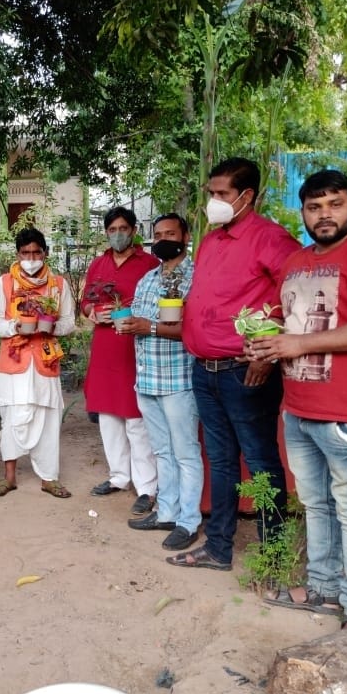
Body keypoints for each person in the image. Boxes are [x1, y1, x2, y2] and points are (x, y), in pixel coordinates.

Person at [248, 170, 347, 628]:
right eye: (314, 207)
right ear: (303, 212)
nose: (324, 215)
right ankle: (322, 590)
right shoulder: (297, 262)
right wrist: (265, 342)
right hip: (300, 408)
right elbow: (291, 327)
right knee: (316, 505)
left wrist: (297, 346)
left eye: (335, 204)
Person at [170, 157, 301, 571]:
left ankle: (274, 554)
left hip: (244, 370)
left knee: (260, 460)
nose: (214, 201)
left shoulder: (270, 238)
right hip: (205, 369)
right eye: (211, 193)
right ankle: (219, 547)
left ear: (247, 196)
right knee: (221, 460)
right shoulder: (211, 239)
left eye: (222, 194)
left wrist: (268, 348)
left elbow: (295, 292)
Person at [121, 214, 202, 551]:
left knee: (185, 453)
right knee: (162, 451)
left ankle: (189, 521)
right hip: (148, 377)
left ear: (185, 236)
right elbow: (138, 319)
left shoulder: (197, 277)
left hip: (179, 379)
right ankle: (167, 511)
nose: (164, 238)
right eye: (158, 234)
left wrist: (148, 327)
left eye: (171, 233)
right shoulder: (148, 278)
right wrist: (127, 324)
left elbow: (195, 330)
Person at [0, 227, 77, 499]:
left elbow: (69, 321)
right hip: (13, 362)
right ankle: (9, 477)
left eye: (37, 252)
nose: (31, 257)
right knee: (11, 416)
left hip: (45, 360)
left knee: (48, 417)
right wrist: (16, 325)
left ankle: (49, 478)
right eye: (26, 252)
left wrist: (51, 328)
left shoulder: (58, 284)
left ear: (45, 253)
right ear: (18, 254)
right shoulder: (3, 283)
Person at [81, 206, 159, 514]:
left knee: (137, 421)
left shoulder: (149, 264)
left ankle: (147, 486)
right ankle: (118, 476)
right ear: (106, 232)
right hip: (103, 347)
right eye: (112, 230)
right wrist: (91, 312)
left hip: (135, 348)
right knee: (109, 419)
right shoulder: (98, 263)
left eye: (123, 228)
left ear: (135, 230)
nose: (118, 234)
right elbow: (86, 298)